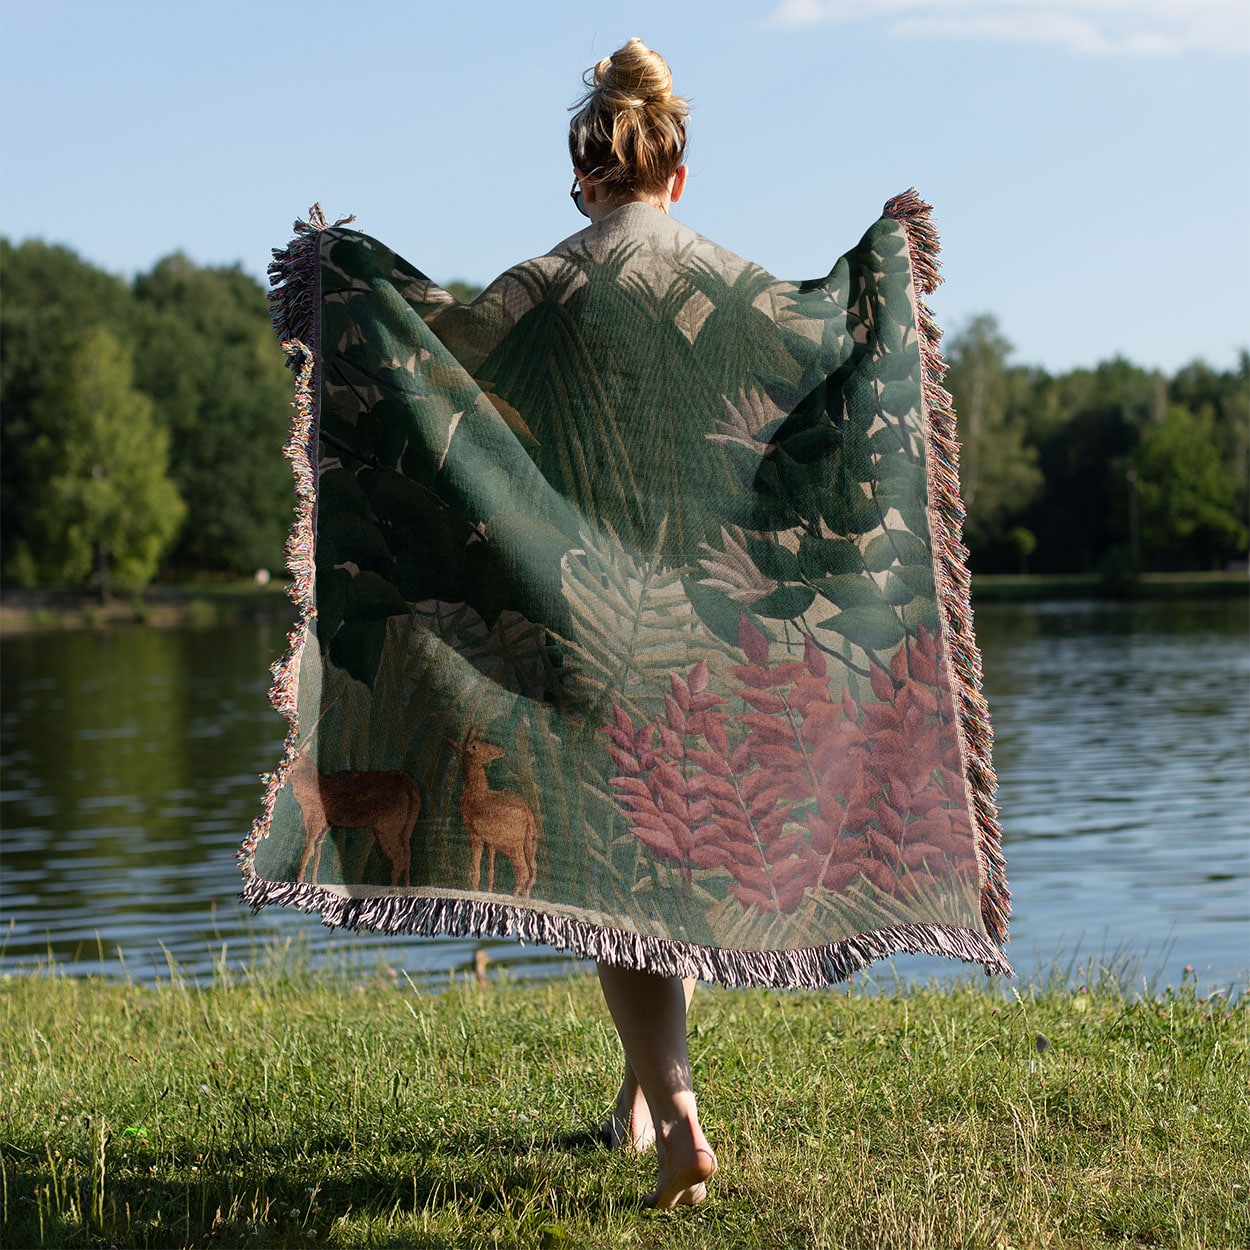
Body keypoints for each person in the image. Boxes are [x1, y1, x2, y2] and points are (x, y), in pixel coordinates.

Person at [565, 37, 717, 1212]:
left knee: (616, 880)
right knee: (663, 860)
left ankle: (677, 1118)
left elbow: (447, 374)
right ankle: (632, 1100)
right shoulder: (727, 280)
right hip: (705, 619)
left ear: (585, 178)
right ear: (675, 173)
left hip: (590, 613)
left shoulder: (549, 282)